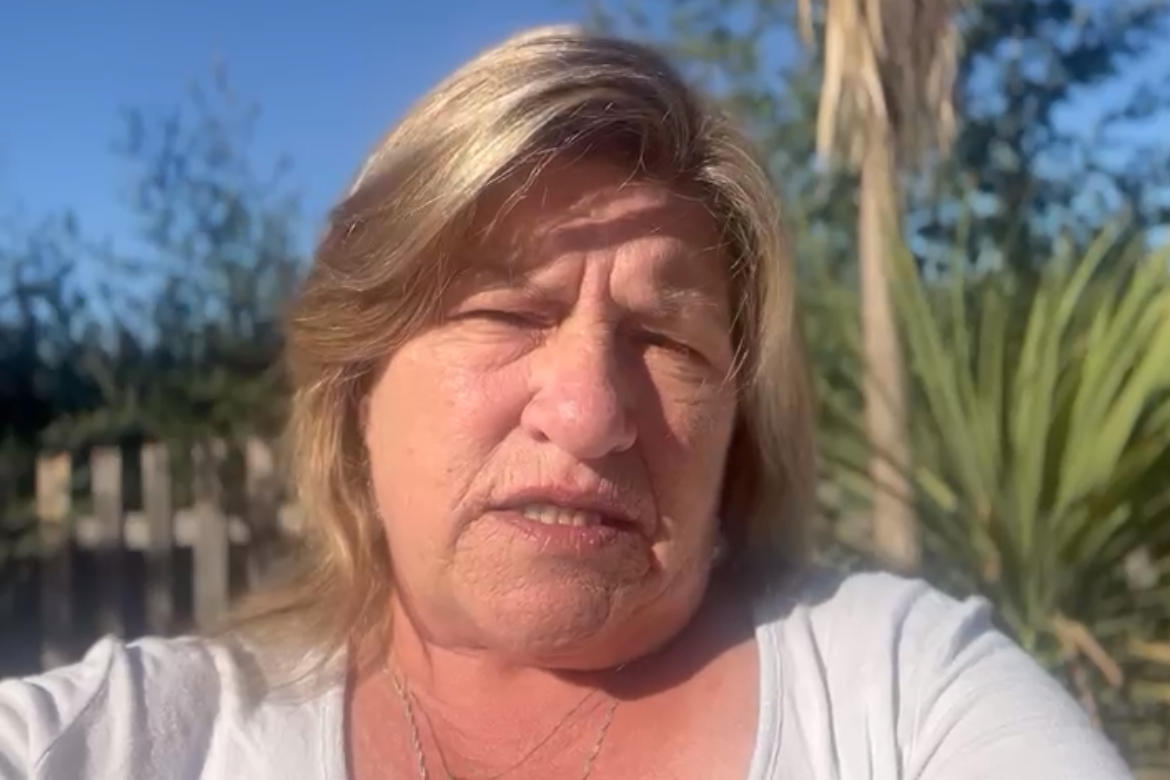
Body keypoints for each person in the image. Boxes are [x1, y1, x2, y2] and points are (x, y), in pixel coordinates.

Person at [0, 25, 1135, 780]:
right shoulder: (135, 741)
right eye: (505, 312)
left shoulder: (899, 692)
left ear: (739, 433)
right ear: (355, 387)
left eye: (668, 340)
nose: (589, 413)